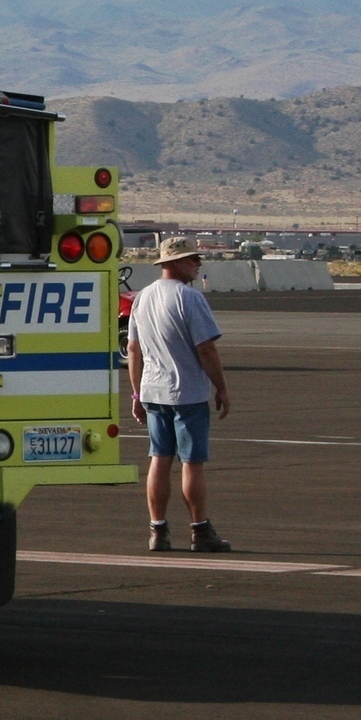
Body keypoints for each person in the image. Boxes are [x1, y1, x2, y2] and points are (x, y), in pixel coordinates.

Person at [127, 236, 232, 553]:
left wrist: (136, 393)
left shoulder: (142, 298)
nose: (198, 263)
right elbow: (206, 348)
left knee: (159, 459)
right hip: (186, 392)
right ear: (173, 262)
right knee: (192, 462)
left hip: (153, 391)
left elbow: (134, 349)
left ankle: (157, 529)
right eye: (192, 259)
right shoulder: (190, 298)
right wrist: (221, 387)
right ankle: (200, 529)